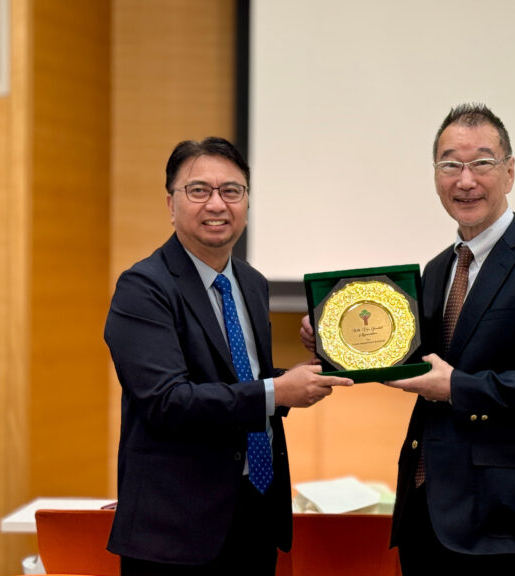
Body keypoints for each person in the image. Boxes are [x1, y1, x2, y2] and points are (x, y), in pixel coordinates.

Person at [301, 104, 515, 575]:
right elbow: (415, 359)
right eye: (450, 165)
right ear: (435, 175)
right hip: (426, 514)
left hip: (502, 524)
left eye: (482, 162)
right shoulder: (439, 268)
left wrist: (459, 388)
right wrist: (336, 336)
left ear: (509, 172)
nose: (466, 180)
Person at [105, 136, 352, 576]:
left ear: (247, 203)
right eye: (199, 190)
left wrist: (299, 375)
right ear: (171, 204)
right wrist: (277, 392)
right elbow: (168, 401)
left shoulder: (252, 282)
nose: (217, 204)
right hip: (176, 533)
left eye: (231, 191)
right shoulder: (143, 288)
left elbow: (242, 378)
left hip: (254, 516)